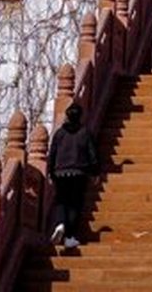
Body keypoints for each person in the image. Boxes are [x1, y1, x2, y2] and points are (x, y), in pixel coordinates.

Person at [47, 102, 97, 251]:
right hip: (78, 172)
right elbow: (92, 154)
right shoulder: (84, 132)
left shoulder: (59, 133)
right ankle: (70, 237)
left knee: (62, 201)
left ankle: (60, 223)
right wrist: (95, 172)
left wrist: (50, 172)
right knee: (75, 204)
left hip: (60, 172)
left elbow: (52, 154)